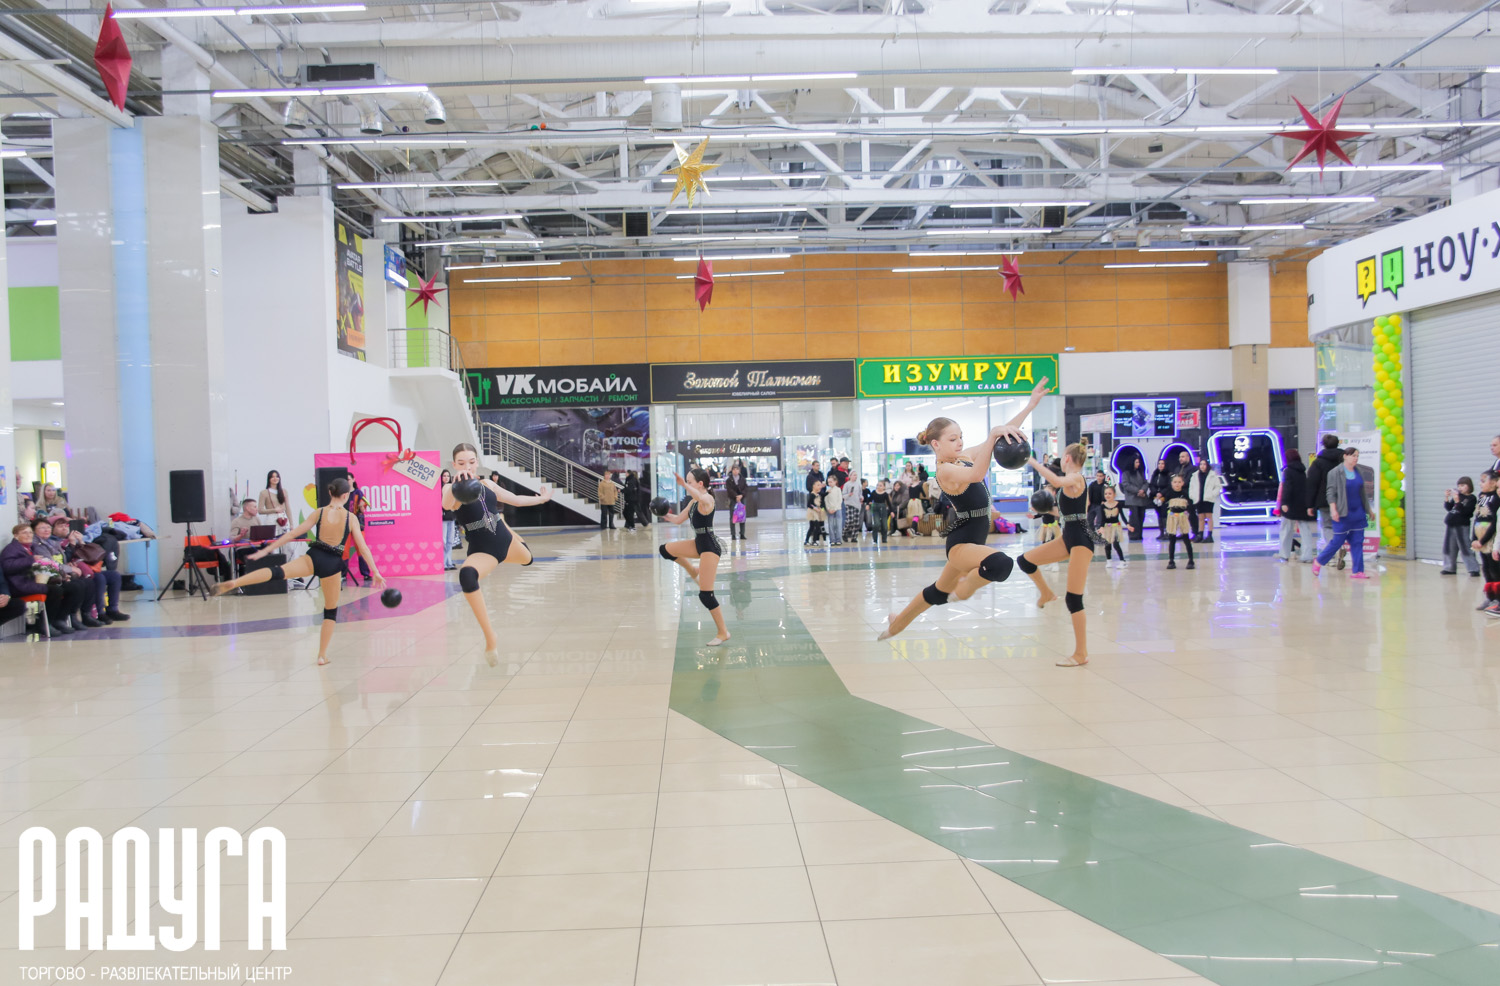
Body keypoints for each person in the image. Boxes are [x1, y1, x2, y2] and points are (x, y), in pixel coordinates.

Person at [879, 378, 1045, 642]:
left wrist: (1031, 405)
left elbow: (1001, 435)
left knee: (937, 593)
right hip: (961, 544)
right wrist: (992, 435)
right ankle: (965, 590)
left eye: (961, 437)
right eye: (953, 438)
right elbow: (978, 474)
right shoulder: (945, 470)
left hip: (974, 540)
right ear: (936, 444)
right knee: (1001, 564)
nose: (959, 442)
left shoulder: (964, 457)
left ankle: (895, 625)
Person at [212, 478, 384, 663]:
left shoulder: (319, 512)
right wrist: (375, 572)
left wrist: (266, 550)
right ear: (345, 496)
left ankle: (235, 582)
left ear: (330, 493)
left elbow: (293, 534)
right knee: (330, 611)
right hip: (332, 564)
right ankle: (322, 655)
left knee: (277, 571)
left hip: (314, 557)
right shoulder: (351, 518)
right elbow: (363, 548)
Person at [444, 444, 551, 662]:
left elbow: (516, 499)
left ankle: (507, 528)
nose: (467, 467)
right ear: (454, 465)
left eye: (471, 462)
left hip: (507, 542)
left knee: (528, 559)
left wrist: (541, 499)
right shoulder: (451, 488)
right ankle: (490, 637)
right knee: (467, 576)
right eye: (461, 463)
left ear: (477, 462)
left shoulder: (487, 484)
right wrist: (455, 485)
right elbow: (446, 504)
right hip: (483, 551)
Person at [1008, 441, 1096, 667]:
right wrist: (1043, 511)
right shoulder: (1072, 483)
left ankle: (1081, 653)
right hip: (1069, 538)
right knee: (1025, 561)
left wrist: (1031, 460)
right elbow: (1069, 513)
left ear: (1067, 458)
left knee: (1074, 599)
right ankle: (1046, 594)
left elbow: (1056, 481)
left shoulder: (1076, 478)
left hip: (1081, 541)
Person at [660, 468, 730, 646]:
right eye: (686, 482)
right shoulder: (692, 502)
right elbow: (677, 519)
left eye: (689, 482)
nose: (687, 484)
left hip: (710, 548)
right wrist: (662, 513)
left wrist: (683, 485)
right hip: (698, 542)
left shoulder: (707, 499)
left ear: (700, 484)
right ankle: (693, 570)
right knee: (665, 550)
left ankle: (723, 632)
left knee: (706, 595)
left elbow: (701, 497)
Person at [3, 523, 89, 635]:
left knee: (74, 587)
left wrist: (62, 576)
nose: (28, 535)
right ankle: (45, 623)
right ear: (16, 535)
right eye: (24, 533)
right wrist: (31, 560)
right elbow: (8, 567)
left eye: (30, 532)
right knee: (55, 590)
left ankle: (60, 619)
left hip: (34, 581)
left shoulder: (31, 547)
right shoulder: (11, 549)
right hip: (20, 584)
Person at [1313, 447, 1372, 579]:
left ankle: (1358, 571)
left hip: (1358, 512)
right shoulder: (1335, 472)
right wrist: (1333, 509)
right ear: (1345, 456)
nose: (1356, 458)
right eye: (1353, 455)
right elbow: (1330, 493)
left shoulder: (1358, 471)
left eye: (1357, 456)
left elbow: (1362, 493)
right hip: (1343, 512)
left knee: (1357, 542)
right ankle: (1319, 561)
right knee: (1337, 541)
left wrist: (1368, 510)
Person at [1306, 434, 1346, 569]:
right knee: (1340, 526)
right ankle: (1339, 546)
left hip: (1324, 501)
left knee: (1328, 526)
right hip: (1343, 499)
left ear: (1323, 445)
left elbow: (1312, 484)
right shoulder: (1345, 461)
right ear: (1338, 444)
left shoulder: (1318, 463)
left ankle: (1333, 553)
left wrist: (1310, 504)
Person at [1277, 449, 1318, 564]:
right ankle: (1307, 555)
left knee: (1286, 529)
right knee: (1305, 529)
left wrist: (1284, 503)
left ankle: (1284, 554)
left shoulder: (1288, 471)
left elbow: (1287, 487)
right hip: (1302, 503)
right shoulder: (1302, 471)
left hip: (1290, 504)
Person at [1442, 477, 1481, 577]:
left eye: (1463, 485)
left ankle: (1473, 569)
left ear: (1469, 486)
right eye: (1459, 486)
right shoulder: (1458, 496)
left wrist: (1457, 501)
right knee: (1449, 546)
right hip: (1451, 523)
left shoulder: (1471, 498)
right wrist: (1446, 498)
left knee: (1465, 546)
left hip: (1462, 525)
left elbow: (1465, 511)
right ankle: (1449, 568)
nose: (1460, 488)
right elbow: (1449, 508)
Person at [1473, 471, 1499, 615]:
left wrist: (1483, 540)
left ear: (1494, 483)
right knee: (1486, 568)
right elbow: (1477, 517)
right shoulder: (1481, 496)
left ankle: (1497, 599)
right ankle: (1490, 597)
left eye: (1484, 481)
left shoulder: (1496, 498)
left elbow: (1494, 523)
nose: (1480, 484)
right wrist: (1474, 538)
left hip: (1490, 538)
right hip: (1480, 537)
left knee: (1495, 570)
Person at [1162, 474, 1196, 570]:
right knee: (1172, 539)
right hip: (1172, 518)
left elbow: (1190, 506)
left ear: (1182, 483)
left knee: (1186, 538)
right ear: (1172, 483)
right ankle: (1171, 561)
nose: (1177, 484)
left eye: (1179, 482)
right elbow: (1164, 506)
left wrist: (1187, 513)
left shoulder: (1185, 494)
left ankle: (1191, 560)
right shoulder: (1168, 494)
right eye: (1175, 482)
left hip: (1183, 517)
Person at [1187, 458, 1223, 542]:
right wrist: (1192, 495)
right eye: (1201, 464)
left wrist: (1212, 494)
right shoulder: (1195, 475)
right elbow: (1191, 487)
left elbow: (1217, 486)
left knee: (1209, 516)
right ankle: (1200, 534)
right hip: (1198, 498)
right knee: (1200, 517)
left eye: (1204, 464)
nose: (1202, 466)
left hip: (1208, 499)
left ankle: (1209, 535)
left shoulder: (1212, 475)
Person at [1099, 486, 1132, 568]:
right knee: (1107, 545)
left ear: (1114, 494)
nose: (1107, 495)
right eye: (1106, 494)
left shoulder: (1118, 504)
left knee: (1116, 544)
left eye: (1110, 493)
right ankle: (1109, 561)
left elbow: (1122, 516)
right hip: (1107, 527)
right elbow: (1102, 519)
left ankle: (1122, 561)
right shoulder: (1103, 506)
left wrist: (1127, 524)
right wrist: (1101, 527)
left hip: (1116, 527)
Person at [1120, 455, 1151, 541]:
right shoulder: (1126, 473)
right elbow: (1126, 484)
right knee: (1134, 519)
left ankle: (1139, 534)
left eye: (1139, 462)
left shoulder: (1140, 472)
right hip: (1132, 499)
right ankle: (1133, 535)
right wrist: (1137, 491)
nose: (1138, 464)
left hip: (1142, 499)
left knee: (1141, 518)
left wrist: (1143, 490)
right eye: (1136, 462)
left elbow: (1145, 483)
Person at [1148, 458, 1173, 538]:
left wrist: (1162, 493)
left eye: (1162, 464)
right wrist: (1156, 493)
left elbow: (1169, 486)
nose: (1160, 465)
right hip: (1155, 498)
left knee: (1165, 515)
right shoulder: (1155, 473)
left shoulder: (1168, 474)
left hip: (1165, 498)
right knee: (1159, 515)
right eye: (1159, 464)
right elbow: (1151, 485)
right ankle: (1161, 532)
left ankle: (1166, 532)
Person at [439, 469, 458, 569]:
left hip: (452, 517)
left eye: (447, 476)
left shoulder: (452, 488)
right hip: (443, 518)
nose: (446, 478)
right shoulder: (439, 489)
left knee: (450, 541)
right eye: (444, 476)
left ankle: (449, 562)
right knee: (444, 541)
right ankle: (443, 563)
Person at [724, 464, 748, 540]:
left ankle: (742, 534)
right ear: (732, 470)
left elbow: (745, 489)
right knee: (732, 517)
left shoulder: (743, 479)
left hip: (742, 499)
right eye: (734, 469)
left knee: (742, 516)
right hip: (733, 499)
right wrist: (736, 496)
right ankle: (733, 534)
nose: (735, 471)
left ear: (739, 470)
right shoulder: (729, 480)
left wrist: (741, 495)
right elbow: (729, 490)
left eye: (737, 469)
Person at [869, 479, 892, 545]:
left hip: (883, 509)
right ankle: (875, 539)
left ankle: (884, 539)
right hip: (875, 509)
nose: (878, 487)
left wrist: (891, 511)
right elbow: (869, 499)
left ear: (884, 487)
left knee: (884, 526)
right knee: (876, 524)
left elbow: (889, 503)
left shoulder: (885, 494)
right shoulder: (874, 492)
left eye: (880, 486)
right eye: (878, 485)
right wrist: (868, 504)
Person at [823, 475, 844, 546]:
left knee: (838, 524)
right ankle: (832, 540)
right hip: (830, 509)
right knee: (831, 525)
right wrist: (828, 508)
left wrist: (835, 508)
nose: (830, 483)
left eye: (831, 482)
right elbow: (826, 500)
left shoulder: (838, 490)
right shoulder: (827, 490)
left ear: (835, 482)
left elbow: (840, 500)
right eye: (828, 482)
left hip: (838, 509)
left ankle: (838, 539)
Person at [805, 479, 827, 545]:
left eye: (820, 485)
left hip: (817, 512)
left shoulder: (819, 494)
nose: (820, 486)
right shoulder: (812, 494)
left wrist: (822, 510)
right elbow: (809, 504)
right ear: (814, 486)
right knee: (815, 527)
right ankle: (812, 541)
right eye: (818, 485)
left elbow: (822, 501)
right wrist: (815, 508)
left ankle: (808, 541)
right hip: (812, 513)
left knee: (813, 527)